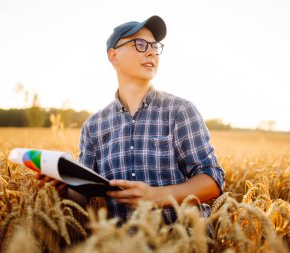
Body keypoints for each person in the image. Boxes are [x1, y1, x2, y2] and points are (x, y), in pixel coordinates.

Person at [36, 15, 225, 223]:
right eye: (140, 44)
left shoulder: (180, 110)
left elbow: (213, 180)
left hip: (183, 242)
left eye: (155, 46)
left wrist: (155, 197)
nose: (152, 51)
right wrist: (62, 188)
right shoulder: (94, 126)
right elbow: (82, 197)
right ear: (114, 56)